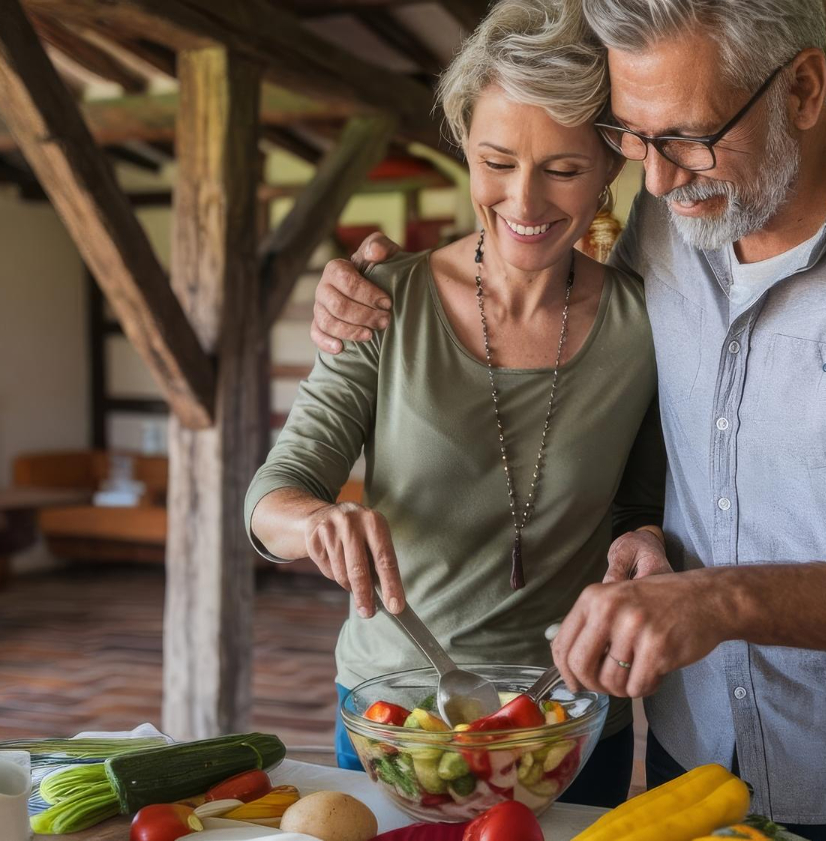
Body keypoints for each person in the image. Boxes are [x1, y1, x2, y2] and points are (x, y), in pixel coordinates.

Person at [304, 0, 826, 837]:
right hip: (685, 762)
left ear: (802, 87)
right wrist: (645, 531)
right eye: (632, 137)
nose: (655, 182)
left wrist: (721, 599)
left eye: (686, 137)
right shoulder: (673, 218)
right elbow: (632, 409)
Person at [243, 0, 665, 809]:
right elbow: (273, 492)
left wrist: (645, 542)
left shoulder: (644, 325)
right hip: (397, 713)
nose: (525, 201)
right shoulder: (382, 301)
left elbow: (642, 507)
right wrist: (315, 522)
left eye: (564, 170)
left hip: (566, 715)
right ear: (465, 145)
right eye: (496, 161)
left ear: (612, 163)